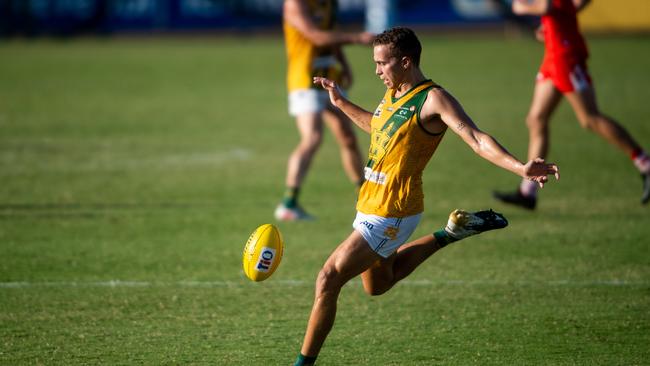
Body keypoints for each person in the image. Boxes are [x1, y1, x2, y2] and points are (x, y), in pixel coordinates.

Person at [292, 27, 560, 366]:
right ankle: (450, 233)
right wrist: (342, 102)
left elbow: (477, 139)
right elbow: (379, 128)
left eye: (382, 64)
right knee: (377, 285)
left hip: (393, 210)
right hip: (371, 204)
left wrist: (521, 168)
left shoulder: (433, 99)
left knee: (328, 278)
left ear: (405, 62)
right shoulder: (392, 93)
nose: (376, 71)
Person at [494, 0, 650, 209]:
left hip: (564, 54)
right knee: (536, 119)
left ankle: (645, 163)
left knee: (590, 118)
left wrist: (520, 6)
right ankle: (527, 191)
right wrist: (554, 21)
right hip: (555, 48)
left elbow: (547, 6)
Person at [275, 0, 375, 221]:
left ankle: (365, 197)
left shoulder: (329, 2)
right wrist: (357, 38)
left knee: (348, 138)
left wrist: (344, 64)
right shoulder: (295, 3)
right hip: (304, 78)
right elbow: (315, 36)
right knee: (312, 137)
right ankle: (289, 203)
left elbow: (332, 36)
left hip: (329, 76)